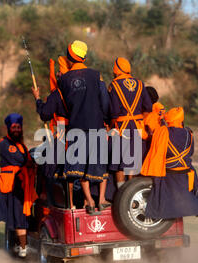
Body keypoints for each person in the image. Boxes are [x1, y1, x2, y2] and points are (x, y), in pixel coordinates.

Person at [57, 40, 111, 213]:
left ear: (69, 56)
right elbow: (105, 100)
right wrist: (106, 120)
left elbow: (62, 106)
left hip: (76, 129)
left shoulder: (64, 79)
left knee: (79, 169)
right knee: (98, 166)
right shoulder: (97, 75)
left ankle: (89, 201)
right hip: (97, 126)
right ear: (84, 57)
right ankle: (102, 199)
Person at [141, 107, 198, 220]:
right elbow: (191, 151)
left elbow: (158, 153)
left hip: (169, 174)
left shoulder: (163, 131)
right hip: (185, 174)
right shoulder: (189, 133)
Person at [108, 57, 153, 188]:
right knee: (133, 162)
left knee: (119, 164)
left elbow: (114, 112)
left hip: (121, 127)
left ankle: (121, 192)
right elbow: (148, 107)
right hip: (137, 128)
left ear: (116, 70)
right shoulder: (140, 83)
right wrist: (139, 120)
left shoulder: (114, 85)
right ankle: (130, 192)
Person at [0, 113, 38, 258]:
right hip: (14, 185)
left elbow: (27, 160)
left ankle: (24, 244)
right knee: (19, 216)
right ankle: (22, 247)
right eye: (14, 127)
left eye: (18, 127)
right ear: (8, 128)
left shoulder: (21, 145)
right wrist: (30, 162)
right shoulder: (5, 144)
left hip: (22, 184)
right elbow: (20, 160)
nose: (16, 129)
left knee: (24, 216)